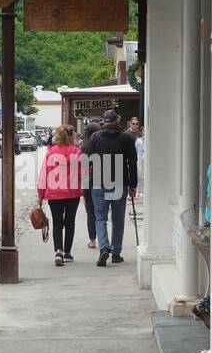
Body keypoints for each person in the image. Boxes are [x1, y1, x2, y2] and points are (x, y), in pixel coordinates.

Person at [83, 108, 138, 267]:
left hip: (99, 181)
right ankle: (116, 252)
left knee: (100, 217)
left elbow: (85, 158)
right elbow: (132, 163)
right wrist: (133, 185)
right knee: (118, 219)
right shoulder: (127, 138)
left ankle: (104, 248)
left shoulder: (95, 138)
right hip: (120, 182)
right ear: (117, 121)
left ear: (104, 122)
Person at [37, 124, 83, 267]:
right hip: (72, 193)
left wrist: (41, 194)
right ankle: (67, 252)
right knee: (70, 223)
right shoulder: (77, 152)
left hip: (54, 193)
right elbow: (83, 174)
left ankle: (58, 251)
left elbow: (43, 174)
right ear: (72, 136)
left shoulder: (51, 153)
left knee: (57, 223)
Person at [79, 122, 100, 249]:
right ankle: (103, 237)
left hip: (87, 179)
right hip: (101, 177)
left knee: (90, 210)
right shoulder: (102, 144)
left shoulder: (84, 146)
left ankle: (92, 240)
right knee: (101, 210)